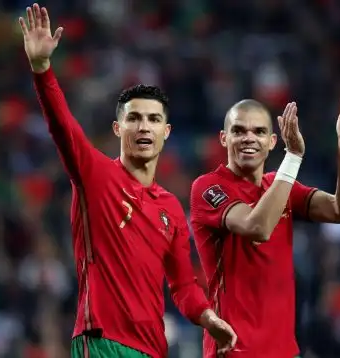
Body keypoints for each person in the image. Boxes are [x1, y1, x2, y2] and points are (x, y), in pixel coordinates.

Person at [18, 4, 237, 358]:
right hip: (102, 342)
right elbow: (63, 127)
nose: (143, 127)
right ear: (118, 128)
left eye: (153, 120)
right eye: (134, 118)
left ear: (165, 133)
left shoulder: (170, 208)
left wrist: (208, 317)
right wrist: (43, 70)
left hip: (153, 349)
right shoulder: (96, 176)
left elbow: (182, 286)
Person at [190, 96, 340, 357]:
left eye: (259, 131)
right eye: (239, 130)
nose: (249, 138)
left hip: (285, 351)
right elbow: (258, 227)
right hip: (234, 351)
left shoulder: (279, 185)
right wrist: (294, 157)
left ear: (272, 142)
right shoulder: (208, 187)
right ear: (223, 138)